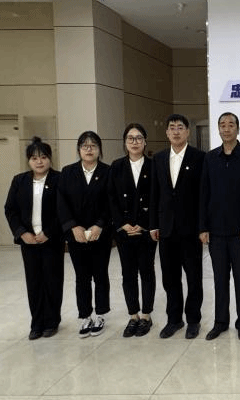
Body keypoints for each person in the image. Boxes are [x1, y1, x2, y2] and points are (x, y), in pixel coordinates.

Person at [199, 112, 240, 341]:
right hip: (215, 231)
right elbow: (204, 193)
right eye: (222, 125)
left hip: (239, 232)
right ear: (218, 129)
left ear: (238, 129)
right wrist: (203, 227)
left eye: (231, 125)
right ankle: (220, 322)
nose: (226, 128)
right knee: (219, 279)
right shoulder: (210, 158)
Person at [149, 114, 205, 339]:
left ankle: (193, 320)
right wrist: (153, 224)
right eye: (171, 127)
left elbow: (203, 196)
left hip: (191, 230)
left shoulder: (200, 157)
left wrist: (203, 227)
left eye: (180, 127)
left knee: (193, 278)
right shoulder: (159, 158)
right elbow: (154, 193)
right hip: (166, 229)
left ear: (188, 132)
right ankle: (174, 320)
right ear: (166, 132)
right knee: (170, 278)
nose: (176, 131)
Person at [4, 137, 63, 340]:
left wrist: (49, 232)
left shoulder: (59, 179)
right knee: (34, 282)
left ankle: (52, 321)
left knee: (52, 281)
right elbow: (10, 210)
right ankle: (36, 323)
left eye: (43, 157)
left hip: (51, 240)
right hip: (29, 241)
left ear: (50, 159)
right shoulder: (19, 181)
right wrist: (22, 233)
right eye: (34, 158)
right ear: (28, 160)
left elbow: (63, 211)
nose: (39, 162)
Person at [57, 131, 111, 338]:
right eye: (85, 146)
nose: (89, 149)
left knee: (100, 274)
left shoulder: (108, 171)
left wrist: (99, 225)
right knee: (82, 277)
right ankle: (85, 315)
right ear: (79, 149)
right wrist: (73, 227)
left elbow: (110, 202)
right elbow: (61, 203)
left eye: (93, 145)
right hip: (76, 235)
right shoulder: (67, 172)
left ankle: (101, 314)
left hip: (100, 233)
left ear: (99, 149)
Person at [107, 123, 156, 337]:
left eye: (138, 138)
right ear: (125, 142)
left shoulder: (154, 166)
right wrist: (122, 223)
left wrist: (145, 224)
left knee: (146, 271)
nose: (134, 142)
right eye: (130, 138)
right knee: (128, 273)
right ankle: (133, 315)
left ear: (145, 142)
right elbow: (110, 198)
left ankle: (146, 315)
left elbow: (157, 198)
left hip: (146, 230)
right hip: (124, 230)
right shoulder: (116, 166)